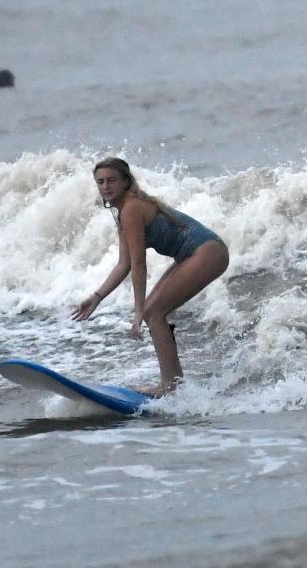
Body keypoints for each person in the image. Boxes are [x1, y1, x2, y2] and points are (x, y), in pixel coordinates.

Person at [71, 157, 229, 397]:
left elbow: (139, 264)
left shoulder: (131, 208)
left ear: (126, 182)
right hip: (197, 253)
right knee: (151, 312)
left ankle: (170, 385)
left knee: (151, 312)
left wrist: (137, 312)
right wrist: (97, 297)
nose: (105, 186)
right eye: (100, 182)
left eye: (112, 180)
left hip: (207, 252)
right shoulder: (122, 211)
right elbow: (124, 264)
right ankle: (174, 384)